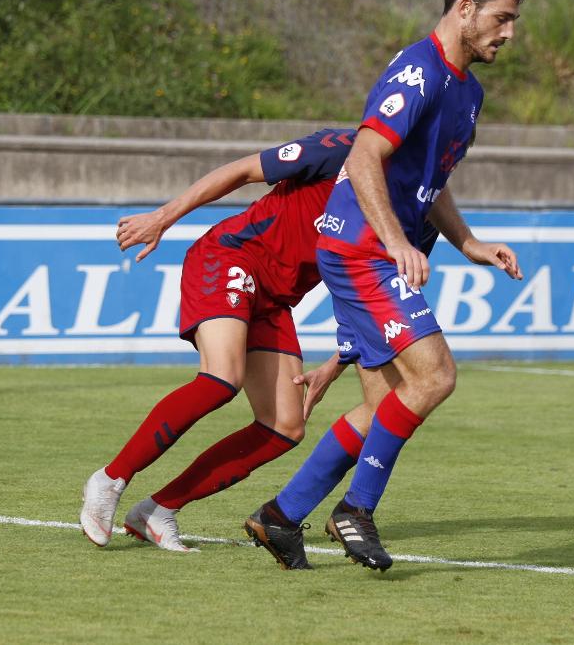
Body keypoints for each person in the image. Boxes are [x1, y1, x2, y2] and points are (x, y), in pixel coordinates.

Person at [243, 0, 526, 573]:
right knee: (435, 376)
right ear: (465, 9)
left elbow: (432, 180)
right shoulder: (418, 73)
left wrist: (468, 242)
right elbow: (367, 155)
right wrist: (397, 242)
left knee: (383, 406)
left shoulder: (467, 92)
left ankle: (281, 516)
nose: (509, 33)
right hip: (362, 251)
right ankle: (358, 509)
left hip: (377, 252)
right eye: (502, 19)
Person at [78, 127, 362, 552]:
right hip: (232, 254)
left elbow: (371, 286)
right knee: (221, 378)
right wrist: (163, 217)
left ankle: (158, 510)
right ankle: (110, 478)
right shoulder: (342, 148)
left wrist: (336, 364)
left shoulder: (411, 199)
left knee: (285, 426)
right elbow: (245, 170)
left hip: (275, 299)